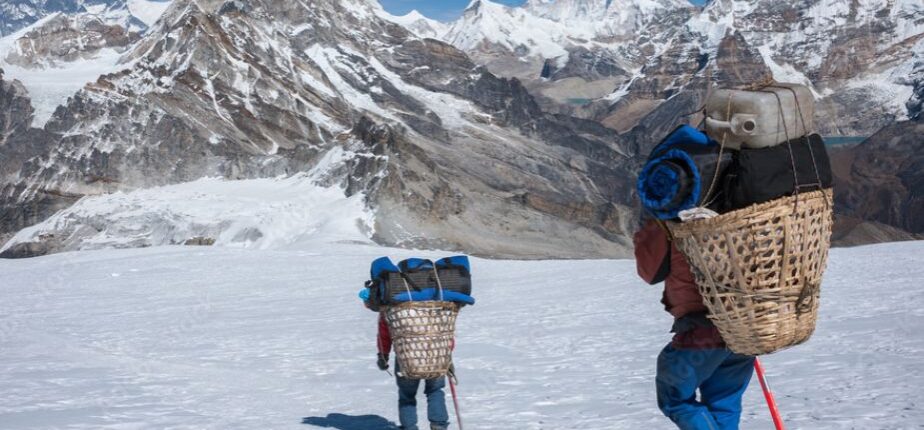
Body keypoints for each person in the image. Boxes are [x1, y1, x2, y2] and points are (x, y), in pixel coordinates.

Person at [634, 219, 755, 430]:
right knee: (723, 404)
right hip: (746, 329)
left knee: (675, 399)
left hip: (702, 330)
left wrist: (649, 226)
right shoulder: (742, 211)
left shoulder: (675, 216)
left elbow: (650, 272)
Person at [376, 312, 451, 430]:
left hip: (406, 357)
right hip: (436, 355)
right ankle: (439, 426)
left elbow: (384, 332)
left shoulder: (392, 304)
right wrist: (447, 354)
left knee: (407, 395)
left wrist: (383, 355)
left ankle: (409, 427)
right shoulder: (436, 302)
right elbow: (446, 329)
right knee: (435, 390)